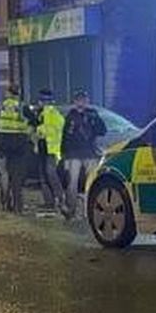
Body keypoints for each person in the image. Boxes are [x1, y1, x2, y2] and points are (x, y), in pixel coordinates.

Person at [0, 85, 37, 213]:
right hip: (19, 144)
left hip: (3, 143)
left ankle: (5, 200)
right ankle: (17, 206)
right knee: (17, 175)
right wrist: (27, 134)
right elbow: (34, 122)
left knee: (3, 172)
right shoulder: (22, 106)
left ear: (8, 93)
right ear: (18, 94)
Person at [61, 89, 106, 219]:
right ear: (75, 101)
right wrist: (64, 155)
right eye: (79, 99)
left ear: (87, 101)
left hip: (89, 153)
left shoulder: (92, 114)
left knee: (90, 183)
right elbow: (65, 137)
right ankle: (71, 210)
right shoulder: (71, 116)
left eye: (83, 99)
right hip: (74, 154)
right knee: (72, 183)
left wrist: (94, 120)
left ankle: (90, 211)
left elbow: (102, 130)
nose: (81, 102)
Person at [33, 88, 64, 212]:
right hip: (43, 148)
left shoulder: (51, 113)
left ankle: (60, 199)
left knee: (51, 175)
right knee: (44, 176)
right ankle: (49, 202)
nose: (39, 102)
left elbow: (51, 129)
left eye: (41, 100)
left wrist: (39, 130)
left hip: (51, 149)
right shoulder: (41, 113)